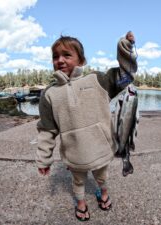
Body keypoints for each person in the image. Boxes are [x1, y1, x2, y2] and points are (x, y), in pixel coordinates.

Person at [36, 31, 138, 221]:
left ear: (81, 60)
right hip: (74, 152)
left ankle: (104, 194)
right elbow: (47, 130)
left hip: (100, 148)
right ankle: (81, 204)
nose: (60, 60)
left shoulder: (97, 79)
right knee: (78, 181)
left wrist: (125, 47)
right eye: (55, 56)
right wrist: (44, 158)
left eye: (67, 55)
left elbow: (126, 75)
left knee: (102, 177)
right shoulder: (49, 94)